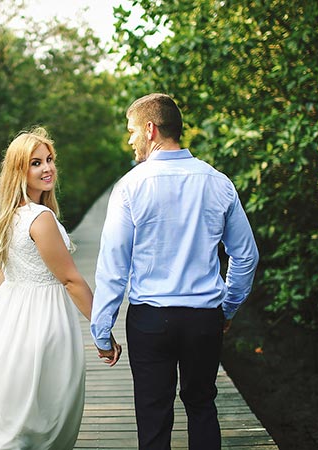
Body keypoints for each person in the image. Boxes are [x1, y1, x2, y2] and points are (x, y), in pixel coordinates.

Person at [90, 93, 260, 450]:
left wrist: (102, 330)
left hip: (150, 321)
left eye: (132, 130)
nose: (130, 139)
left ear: (150, 130)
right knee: (202, 406)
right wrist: (226, 308)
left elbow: (113, 265)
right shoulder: (218, 182)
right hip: (203, 319)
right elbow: (245, 256)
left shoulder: (129, 187)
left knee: (153, 417)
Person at [0, 127, 121, 450]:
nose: (47, 168)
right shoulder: (40, 219)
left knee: (23, 411)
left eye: (49, 160)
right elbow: (70, 280)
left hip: (10, 316)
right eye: (35, 163)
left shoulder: (3, 214)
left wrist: (5, 323)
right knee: (49, 410)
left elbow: (1, 276)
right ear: (19, 171)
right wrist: (102, 331)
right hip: (44, 322)